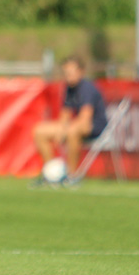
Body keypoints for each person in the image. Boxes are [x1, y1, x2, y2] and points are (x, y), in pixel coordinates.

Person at [32, 55, 108, 185]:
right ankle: (51, 174)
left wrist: (64, 131)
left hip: (94, 126)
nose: (68, 76)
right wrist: (61, 129)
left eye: (71, 72)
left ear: (81, 72)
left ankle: (71, 176)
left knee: (72, 131)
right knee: (39, 130)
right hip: (75, 125)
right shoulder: (69, 88)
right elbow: (65, 115)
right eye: (66, 73)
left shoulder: (87, 88)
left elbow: (85, 118)